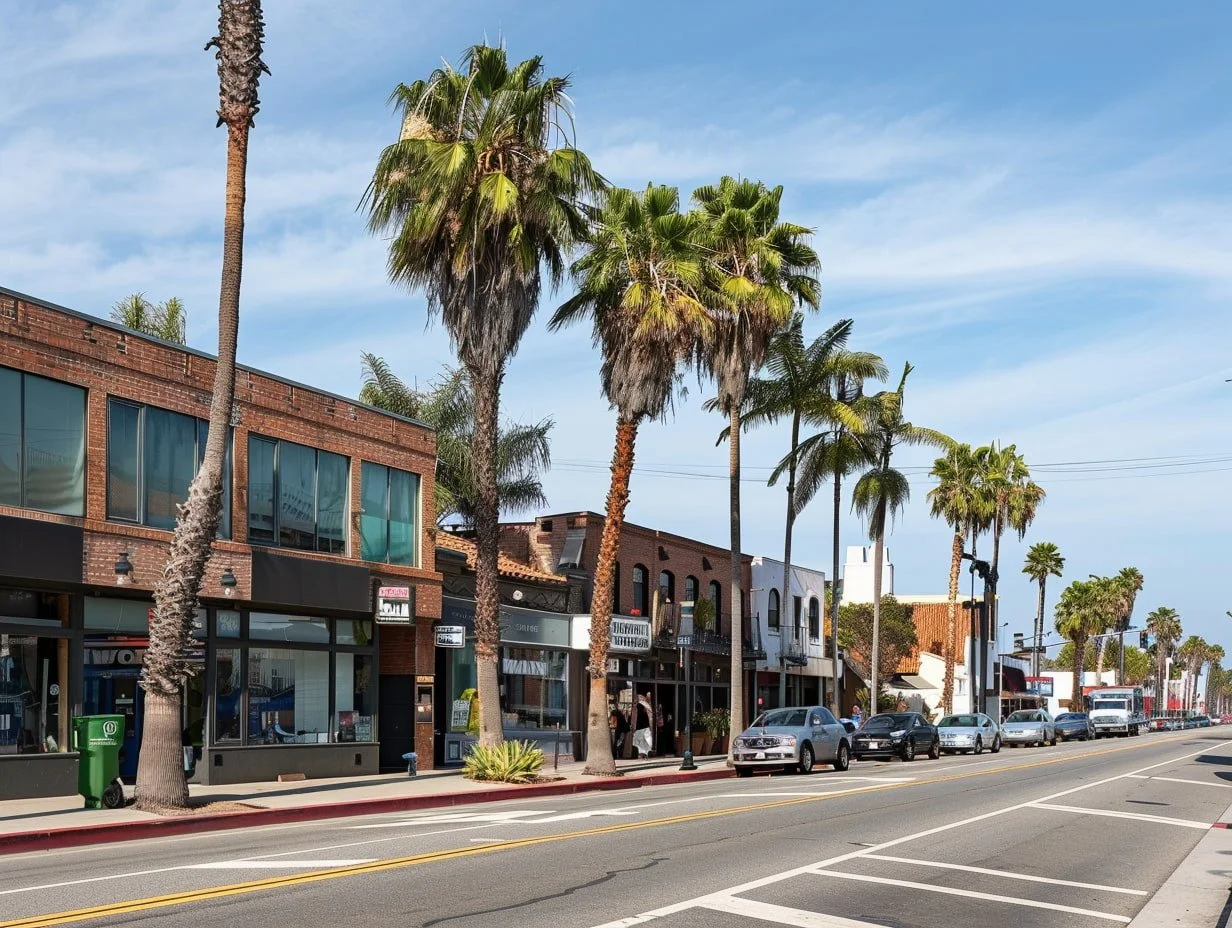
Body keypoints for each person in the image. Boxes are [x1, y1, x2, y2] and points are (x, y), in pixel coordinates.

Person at [632, 692, 653, 759]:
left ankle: (642, 753)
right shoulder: (646, 707)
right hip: (645, 726)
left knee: (639, 741)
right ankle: (645, 753)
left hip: (640, 727)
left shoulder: (639, 706)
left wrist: (633, 727)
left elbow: (635, 718)